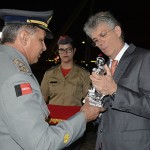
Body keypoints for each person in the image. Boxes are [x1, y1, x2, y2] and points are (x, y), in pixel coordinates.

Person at [0, 8, 102, 150]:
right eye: (41, 40)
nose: (44, 47)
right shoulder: (17, 78)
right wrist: (84, 117)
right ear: (24, 37)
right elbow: (42, 143)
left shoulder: (4, 62)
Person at [83, 11, 150, 150]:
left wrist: (115, 90)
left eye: (102, 35)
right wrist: (94, 107)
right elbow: (107, 113)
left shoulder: (144, 58)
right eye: (95, 40)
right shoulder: (102, 68)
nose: (99, 42)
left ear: (117, 31)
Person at [41, 35, 91, 123]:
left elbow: (88, 100)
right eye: (61, 50)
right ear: (58, 52)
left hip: (74, 122)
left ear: (74, 51)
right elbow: (43, 99)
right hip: (52, 122)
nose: (65, 52)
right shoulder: (49, 74)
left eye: (68, 49)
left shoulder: (84, 74)